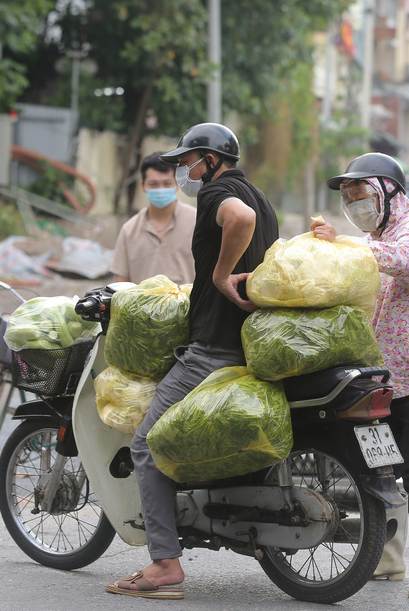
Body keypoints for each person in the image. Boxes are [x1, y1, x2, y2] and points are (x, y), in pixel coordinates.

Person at [105, 123, 279, 599]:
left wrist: (221, 278)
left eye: (185, 162)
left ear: (209, 159)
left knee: (145, 444)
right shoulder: (260, 196)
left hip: (213, 348)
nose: (181, 170)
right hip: (248, 344)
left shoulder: (219, 192)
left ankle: (163, 565)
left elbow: (237, 219)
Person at [311, 152, 409, 600]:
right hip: (395, 380)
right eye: (346, 197)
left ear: (387, 192)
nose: (352, 203)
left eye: (359, 193)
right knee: (385, 469)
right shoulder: (374, 243)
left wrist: (341, 242)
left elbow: (397, 259)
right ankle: (388, 559)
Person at [111, 152, 197, 285]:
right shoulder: (129, 230)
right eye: (153, 184)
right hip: (142, 305)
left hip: (189, 305)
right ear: (143, 186)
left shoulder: (197, 222)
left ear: (177, 184)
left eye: (167, 183)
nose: (160, 189)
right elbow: (120, 283)